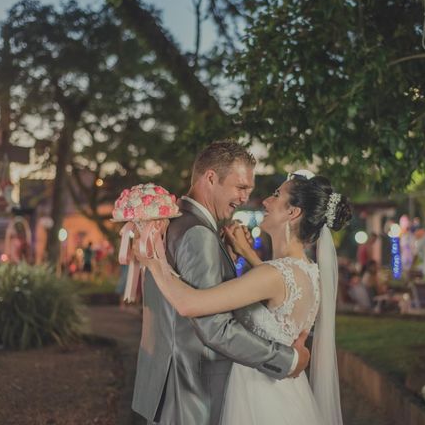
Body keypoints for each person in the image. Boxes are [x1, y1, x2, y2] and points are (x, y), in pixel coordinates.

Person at [141, 170, 351, 424]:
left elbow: (189, 304)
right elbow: (273, 289)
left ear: (292, 212)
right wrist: (246, 253)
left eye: (276, 195)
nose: (265, 201)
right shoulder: (309, 272)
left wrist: (153, 261)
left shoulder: (273, 276)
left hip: (260, 397)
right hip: (288, 394)